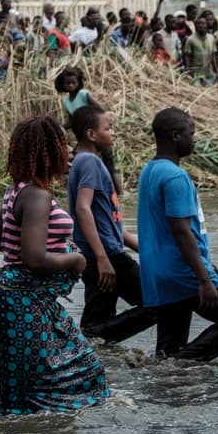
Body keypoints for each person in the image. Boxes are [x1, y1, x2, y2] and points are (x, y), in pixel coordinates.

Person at [0, 116, 109, 415]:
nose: (70, 151)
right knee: (79, 374)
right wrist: (75, 259)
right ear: (48, 150)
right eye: (63, 144)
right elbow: (34, 259)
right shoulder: (36, 196)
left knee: (24, 387)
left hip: (16, 299)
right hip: (22, 303)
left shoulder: (17, 190)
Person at [137, 109, 218, 361]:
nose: (194, 139)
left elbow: (171, 229)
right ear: (175, 136)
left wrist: (204, 262)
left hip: (160, 272)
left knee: (168, 346)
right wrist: (204, 278)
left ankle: (169, 382)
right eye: (191, 133)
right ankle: (180, 366)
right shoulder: (176, 176)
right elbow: (181, 231)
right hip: (182, 271)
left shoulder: (150, 170)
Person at [67, 106, 157, 342]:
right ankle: (86, 339)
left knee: (99, 318)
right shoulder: (89, 163)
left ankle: (90, 351)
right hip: (106, 256)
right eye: (108, 128)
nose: (113, 133)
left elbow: (109, 223)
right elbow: (82, 208)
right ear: (91, 134)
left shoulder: (83, 161)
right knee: (156, 302)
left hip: (101, 254)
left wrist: (146, 250)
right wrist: (103, 258)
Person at [182, 16, 217, 84]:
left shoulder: (211, 38)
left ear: (206, 25)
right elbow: (187, 56)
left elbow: (213, 54)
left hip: (208, 73)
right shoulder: (190, 39)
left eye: (203, 23)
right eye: (198, 23)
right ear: (195, 25)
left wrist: (216, 69)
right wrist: (188, 72)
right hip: (196, 74)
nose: (201, 25)